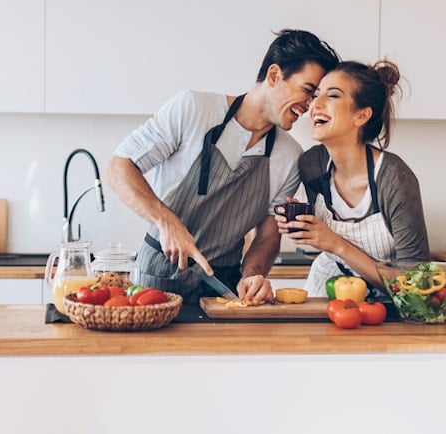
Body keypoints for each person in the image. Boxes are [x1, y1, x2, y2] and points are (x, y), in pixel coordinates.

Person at [107, 29, 341, 303]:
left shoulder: (289, 156)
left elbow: (267, 237)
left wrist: (252, 275)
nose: (312, 106)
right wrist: (166, 220)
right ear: (275, 75)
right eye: (308, 91)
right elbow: (119, 166)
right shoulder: (193, 109)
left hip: (223, 288)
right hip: (158, 280)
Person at [275, 59, 429, 296]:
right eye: (316, 95)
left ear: (362, 115)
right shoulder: (312, 163)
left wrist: (334, 243)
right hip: (327, 288)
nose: (315, 104)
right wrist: (301, 221)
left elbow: (414, 285)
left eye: (333, 96)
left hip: (388, 304)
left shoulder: (395, 179)